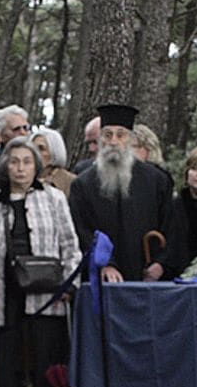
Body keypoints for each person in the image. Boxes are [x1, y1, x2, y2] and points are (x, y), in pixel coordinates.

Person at [0, 138, 80, 387]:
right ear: (5, 165)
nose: (20, 168)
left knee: (45, 357)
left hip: (47, 289)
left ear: (37, 166)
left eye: (27, 162)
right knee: (7, 359)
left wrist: (70, 282)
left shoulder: (53, 198)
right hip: (5, 290)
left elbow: (70, 244)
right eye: (14, 161)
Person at [69, 103, 180, 282]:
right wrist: (106, 263)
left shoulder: (157, 180)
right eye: (107, 135)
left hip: (147, 278)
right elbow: (82, 231)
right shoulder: (82, 184)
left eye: (120, 135)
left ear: (129, 139)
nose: (113, 141)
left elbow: (171, 227)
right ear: (100, 140)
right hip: (102, 279)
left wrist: (160, 264)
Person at [32, 128, 75, 198]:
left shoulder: (71, 182)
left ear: (55, 152)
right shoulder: (24, 177)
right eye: (32, 148)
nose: (35, 152)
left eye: (41, 148)